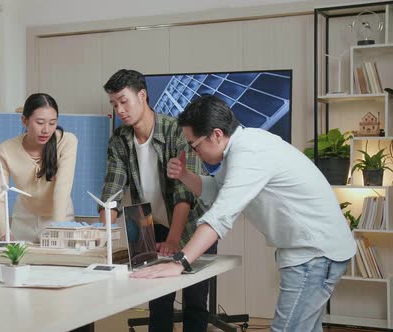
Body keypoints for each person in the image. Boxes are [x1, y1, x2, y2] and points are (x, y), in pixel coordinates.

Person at [132, 94, 357, 332]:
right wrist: (185, 176)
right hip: (313, 250)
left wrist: (180, 262)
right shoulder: (242, 147)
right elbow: (217, 189)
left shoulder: (249, 153)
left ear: (217, 134)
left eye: (194, 145)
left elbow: (220, 214)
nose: (193, 152)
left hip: (314, 254)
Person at [100, 69, 213, 332]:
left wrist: (174, 241)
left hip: (191, 226)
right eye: (114, 104)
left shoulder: (176, 131)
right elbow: (112, 192)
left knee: (194, 301)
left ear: (142, 95)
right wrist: (102, 233)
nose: (119, 110)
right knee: (156, 300)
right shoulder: (120, 139)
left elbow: (184, 194)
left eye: (123, 101)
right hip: (150, 226)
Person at [0, 93, 78, 243]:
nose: (46, 130)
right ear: (24, 120)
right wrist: (4, 233)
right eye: (40, 122)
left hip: (59, 219)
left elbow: (62, 190)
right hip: (23, 222)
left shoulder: (67, 141)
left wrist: (57, 229)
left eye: (52, 123)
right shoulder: (6, 149)